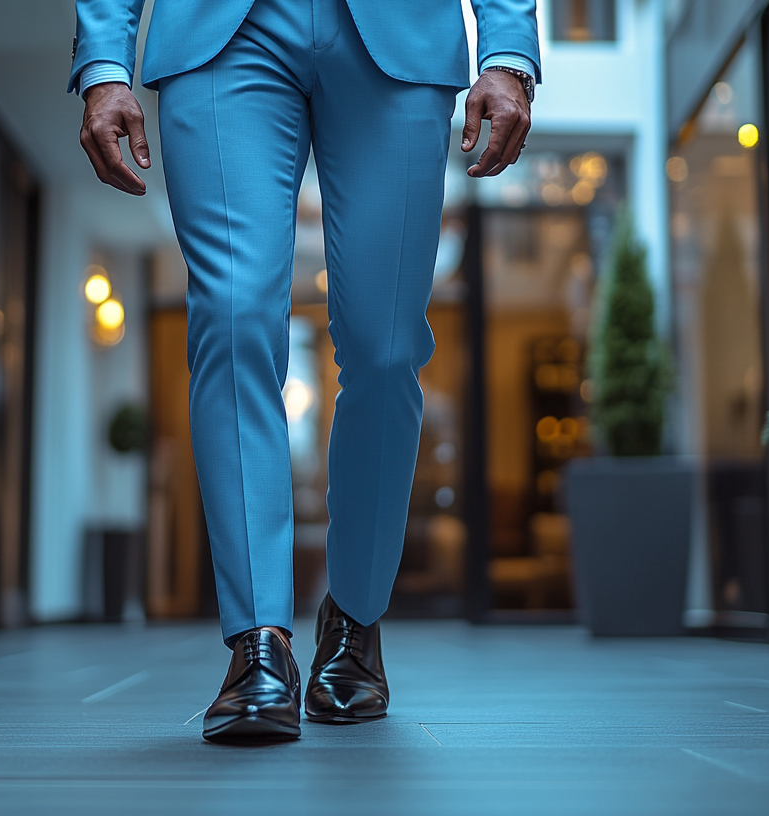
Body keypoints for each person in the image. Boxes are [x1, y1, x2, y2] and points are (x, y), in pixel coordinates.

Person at [71, 0, 537, 742]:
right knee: (231, 314)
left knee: (386, 350)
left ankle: (353, 620)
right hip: (222, 33)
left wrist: (508, 52)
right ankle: (258, 642)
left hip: (398, 36)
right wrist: (103, 64)